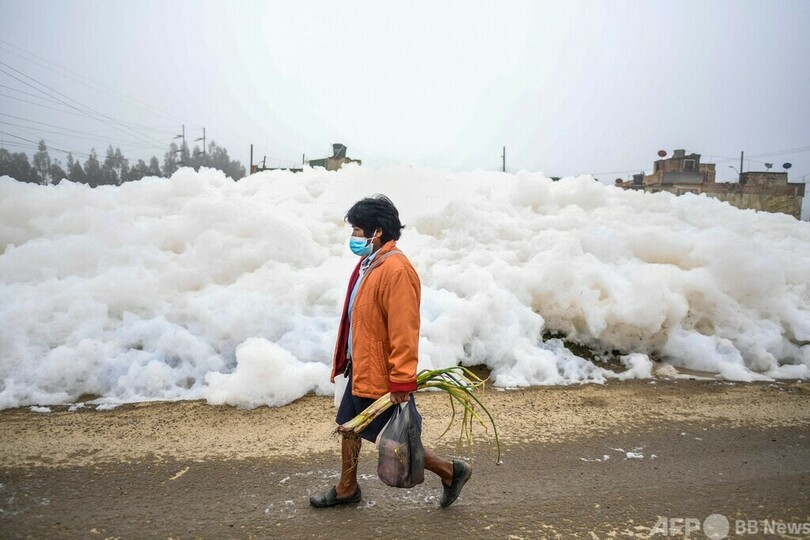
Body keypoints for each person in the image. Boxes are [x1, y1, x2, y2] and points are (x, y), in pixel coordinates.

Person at [310, 195, 472, 509]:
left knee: (395, 441)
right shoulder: (370, 265)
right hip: (362, 364)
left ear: (378, 232)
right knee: (350, 426)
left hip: (382, 372)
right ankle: (347, 486)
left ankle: (451, 472)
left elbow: (404, 330)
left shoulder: (397, 271)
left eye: (358, 230)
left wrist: (401, 381)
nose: (354, 237)